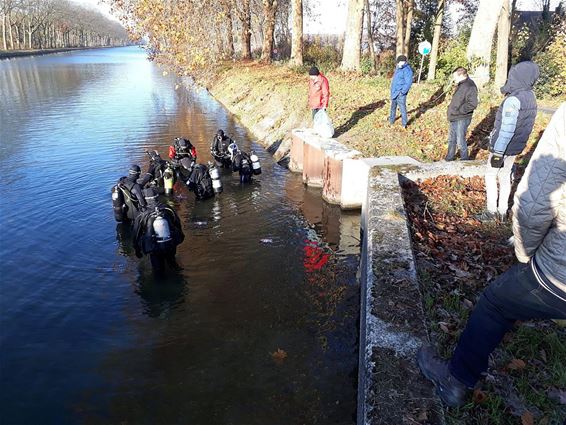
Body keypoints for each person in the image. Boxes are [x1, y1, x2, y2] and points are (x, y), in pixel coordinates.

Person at [416, 103, 566, 408]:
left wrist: (525, 256)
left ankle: (456, 381)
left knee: (496, 303)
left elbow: (534, 204)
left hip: (557, 274)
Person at [482, 61, 540, 221]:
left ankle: (491, 211)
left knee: (490, 175)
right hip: (516, 147)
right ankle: (502, 212)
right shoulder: (530, 96)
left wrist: (498, 152)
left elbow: (507, 130)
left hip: (503, 148)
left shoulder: (513, 100)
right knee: (505, 176)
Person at [133, 187, 185, 273]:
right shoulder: (168, 208)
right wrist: (180, 238)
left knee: (158, 272)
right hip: (170, 244)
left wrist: (137, 250)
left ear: (145, 199)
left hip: (154, 248)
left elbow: (136, 234)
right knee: (173, 264)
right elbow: (177, 224)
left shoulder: (141, 214)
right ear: (157, 197)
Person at [445, 67, 478, 161]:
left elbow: (472, 104)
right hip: (454, 116)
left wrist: (459, 110)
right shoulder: (461, 84)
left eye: (455, 77)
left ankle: (465, 160)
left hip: (462, 117)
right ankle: (449, 158)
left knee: (460, 140)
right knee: (452, 139)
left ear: (461, 75)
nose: (454, 79)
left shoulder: (470, 86)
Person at [389, 55, 414, 128]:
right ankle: (391, 120)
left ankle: (404, 124)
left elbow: (408, 82)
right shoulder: (398, 68)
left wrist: (403, 92)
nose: (399, 63)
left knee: (402, 109)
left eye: (400, 62)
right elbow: (395, 80)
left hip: (400, 93)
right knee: (393, 107)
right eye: (398, 62)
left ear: (404, 62)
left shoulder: (407, 70)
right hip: (394, 92)